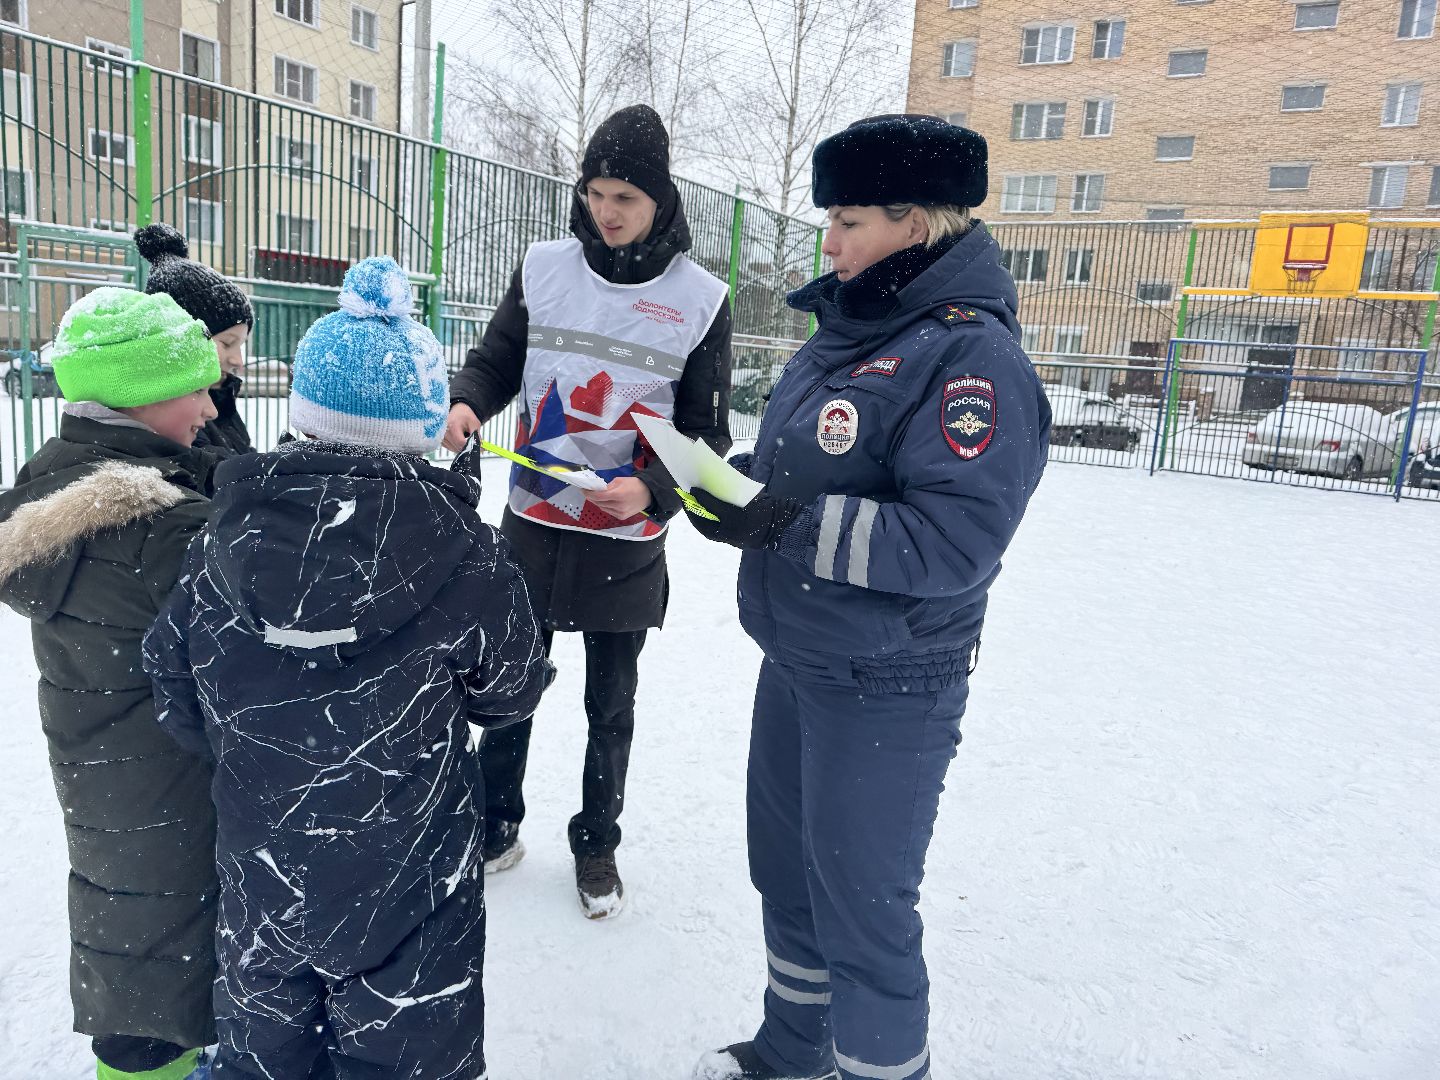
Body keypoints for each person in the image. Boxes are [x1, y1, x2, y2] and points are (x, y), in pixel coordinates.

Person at [685, 115, 1052, 1080]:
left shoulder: (973, 361)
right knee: (791, 882)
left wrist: (782, 522)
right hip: (798, 658)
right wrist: (724, 488)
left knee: (864, 909)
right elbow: (801, 472)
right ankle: (792, 1052)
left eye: (847, 221)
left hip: (890, 678)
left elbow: (953, 541)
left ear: (917, 221)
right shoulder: (846, 332)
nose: (830, 242)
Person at [143, 257, 555, 1079]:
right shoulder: (468, 553)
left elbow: (175, 689)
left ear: (302, 413)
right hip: (411, 885)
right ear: (421, 420)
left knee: (264, 1056)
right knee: (407, 1059)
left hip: (265, 872)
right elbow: (512, 691)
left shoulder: (222, 539)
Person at [443, 104, 733, 918]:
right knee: (509, 685)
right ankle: (495, 824)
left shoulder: (701, 299)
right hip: (532, 529)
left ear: (661, 202)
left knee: (611, 703)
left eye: (627, 198)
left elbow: (708, 434)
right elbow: (497, 360)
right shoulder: (543, 268)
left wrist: (655, 489)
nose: (607, 211)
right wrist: (468, 403)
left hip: (625, 538)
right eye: (597, 192)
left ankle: (596, 844)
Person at [0, 289, 224, 1080]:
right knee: (176, 968)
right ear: (141, 394)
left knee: (136, 955)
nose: (209, 402)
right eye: (194, 385)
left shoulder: (53, 487)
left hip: (108, 782)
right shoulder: (162, 529)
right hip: (176, 782)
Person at [136, 222, 257, 455]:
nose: (238, 361)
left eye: (241, 345)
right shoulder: (173, 422)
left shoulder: (220, 398)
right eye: (227, 343)